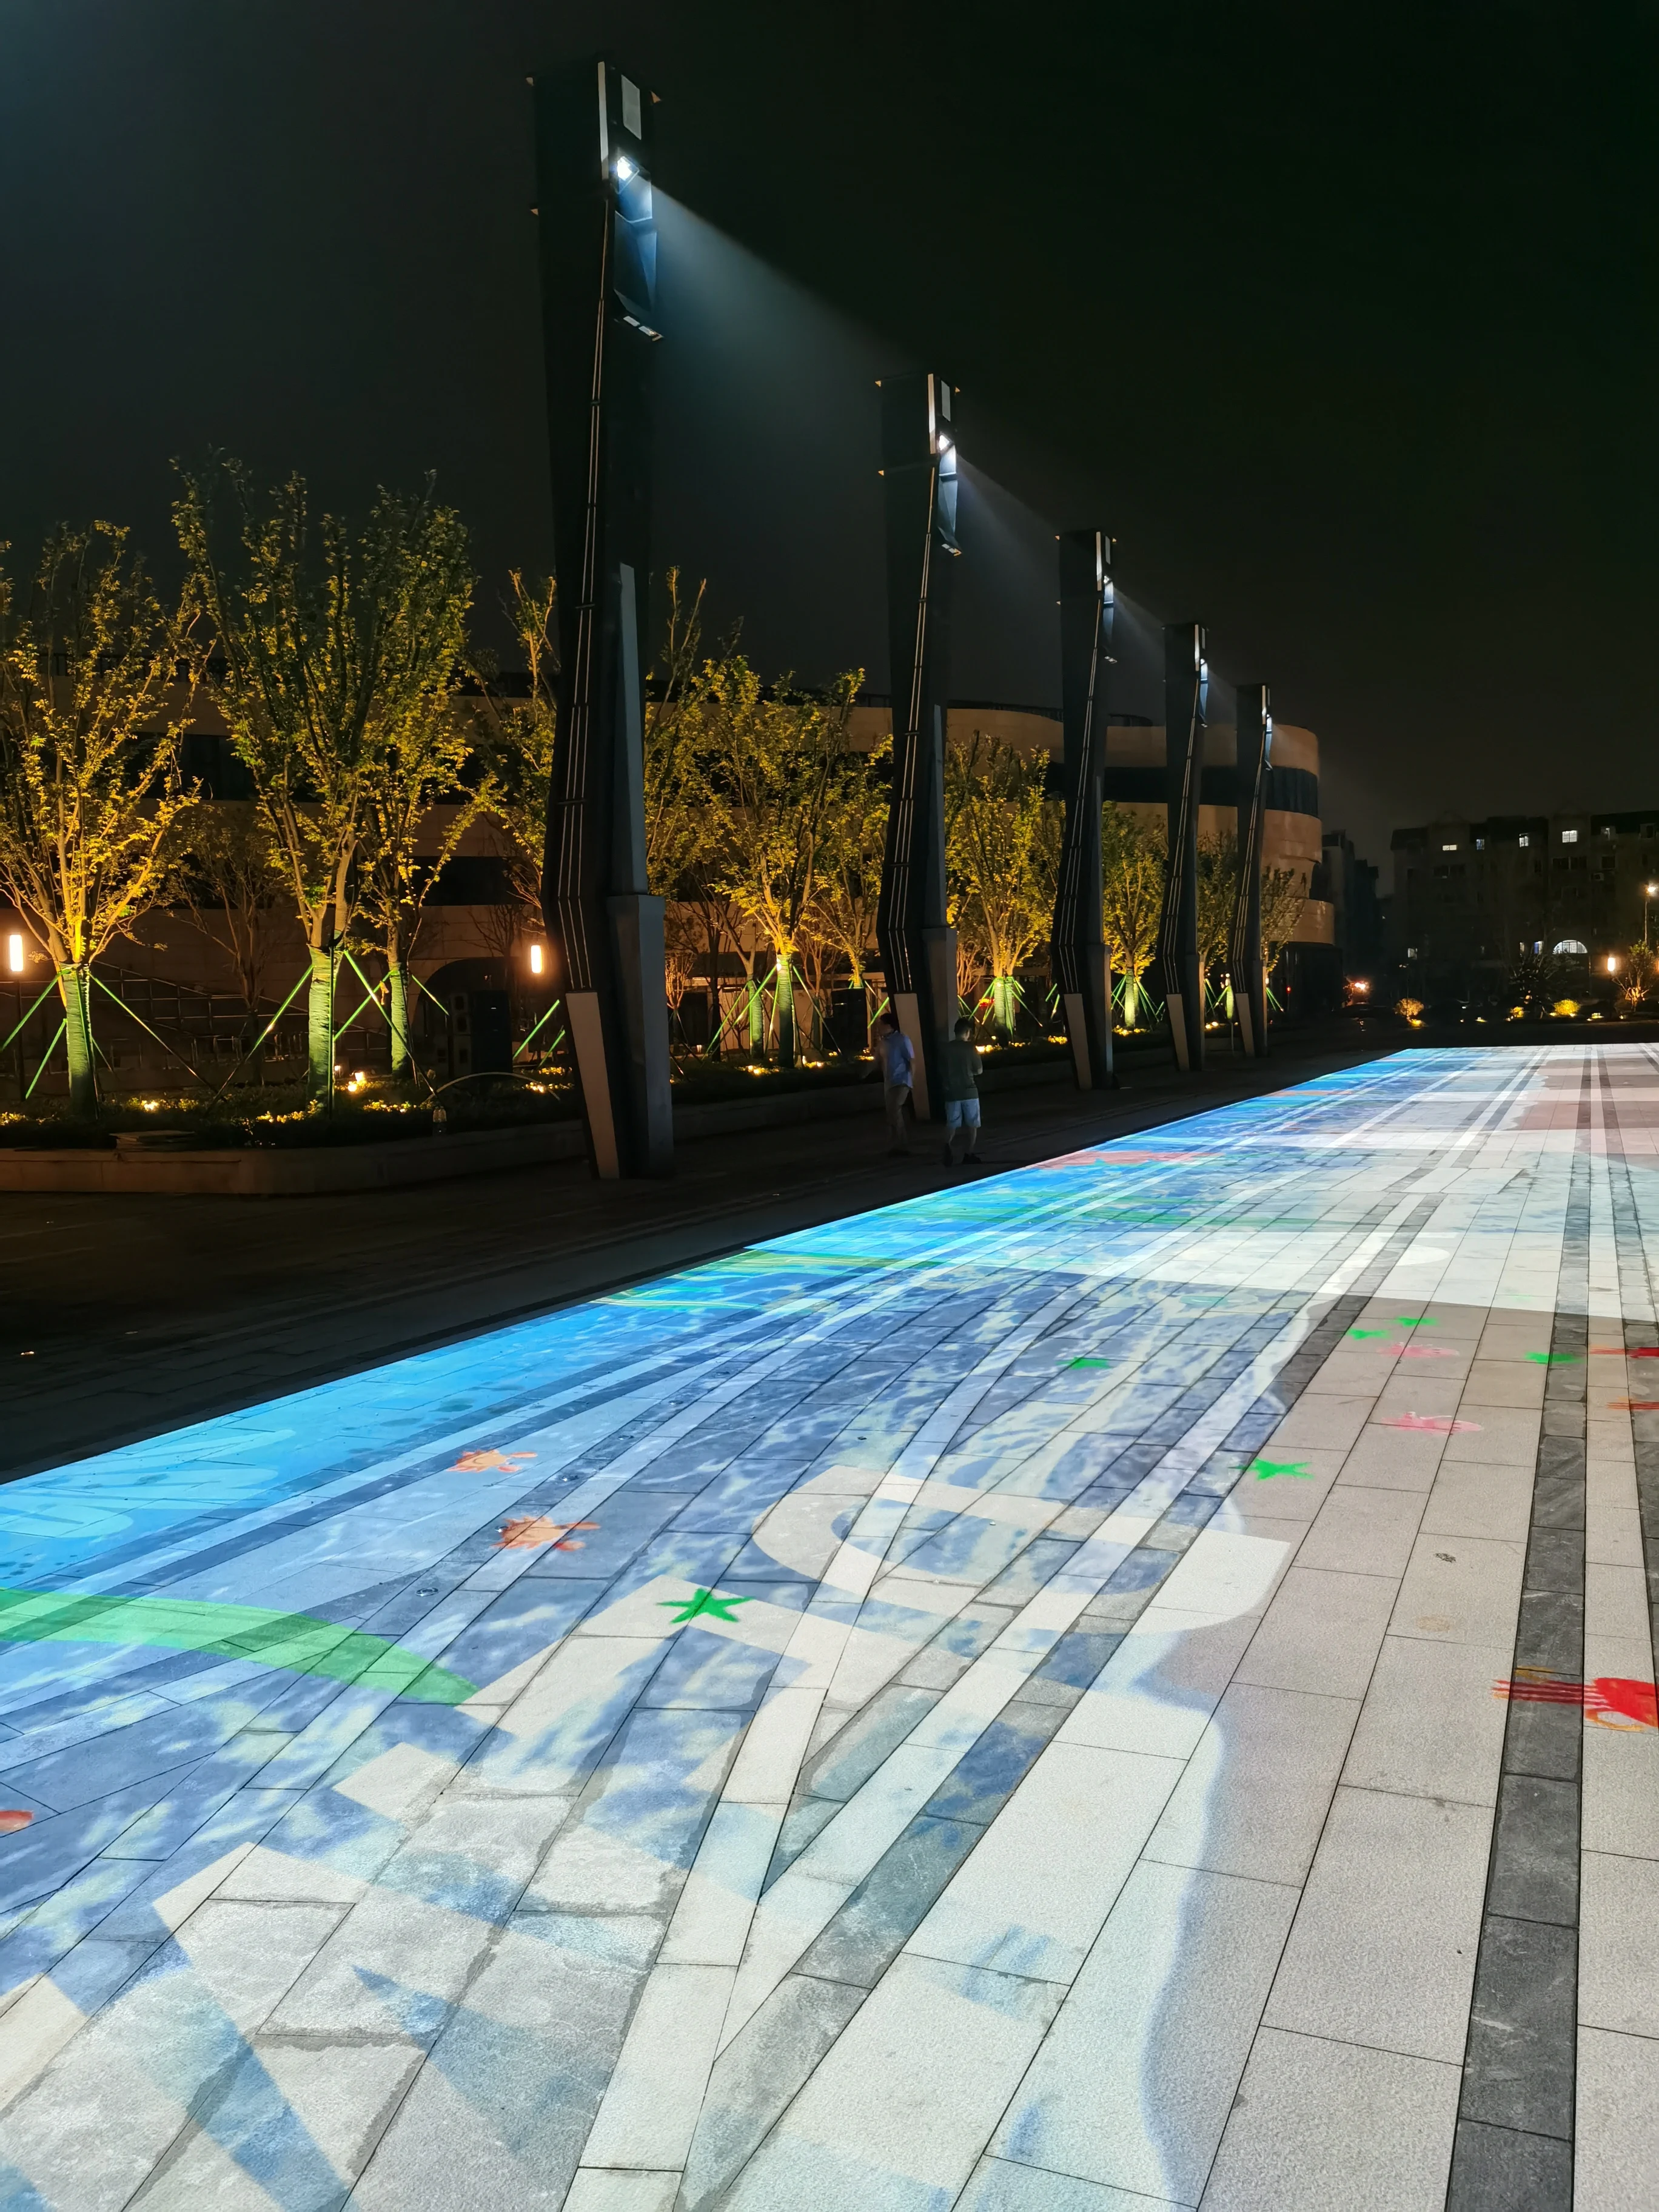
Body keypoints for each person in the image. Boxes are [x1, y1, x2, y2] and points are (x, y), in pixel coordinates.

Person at [939, 1016, 984, 1166]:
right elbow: (979, 1070)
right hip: (969, 1091)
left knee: (952, 1123)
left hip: (951, 1093)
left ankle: (947, 1146)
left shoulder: (946, 1049)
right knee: (972, 1124)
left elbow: (941, 1070)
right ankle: (968, 1153)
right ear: (967, 1032)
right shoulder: (970, 1048)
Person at [874, 1011, 915, 1156]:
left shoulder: (902, 1039)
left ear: (889, 1025)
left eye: (881, 1024)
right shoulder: (883, 1043)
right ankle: (896, 1144)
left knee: (895, 1110)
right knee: (892, 1113)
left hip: (902, 1081)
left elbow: (911, 1061)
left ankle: (902, 1144)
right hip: (890, 1082)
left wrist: (911, 1081)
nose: (878, 1027)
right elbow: (876, 1061)